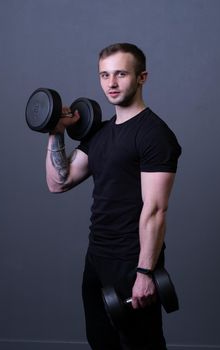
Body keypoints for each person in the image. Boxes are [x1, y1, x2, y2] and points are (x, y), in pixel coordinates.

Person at [46, 43, 181, 350]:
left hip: (132, 261)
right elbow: (59, 182)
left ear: (142, 77)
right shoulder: (99, 133)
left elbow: (156, 209)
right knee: (101, 341)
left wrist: (145, 272)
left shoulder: (154, 135)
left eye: (121, 73)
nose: (111, 83)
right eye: (104, 75)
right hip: (97, 257)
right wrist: (55, 131)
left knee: (139, 344)